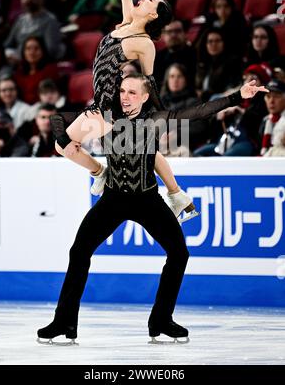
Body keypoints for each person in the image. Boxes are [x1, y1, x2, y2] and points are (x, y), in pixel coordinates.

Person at [37, 72, 268, 344]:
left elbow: (197, 112)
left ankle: (161, 320)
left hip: (147, 199)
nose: (125, 97)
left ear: (145, 97)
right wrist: (72, 148)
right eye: (122, 91)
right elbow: (58, 119)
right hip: (113, 199)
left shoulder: (154, 120)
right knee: (79, 252)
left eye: (132, 93)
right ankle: (64, 321)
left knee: (179, 253)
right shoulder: (106, 118)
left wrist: (236, 97)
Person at [51, 0, 195, 219]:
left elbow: (150, 82)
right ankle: (105, 172)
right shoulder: (129, 19)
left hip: (112, 108)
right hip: (100, 103)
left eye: (150, 0)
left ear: (154, 15)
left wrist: (161, 114)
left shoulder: (144, 44)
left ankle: (174, 194)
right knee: (63, 144)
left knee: (142, 150)